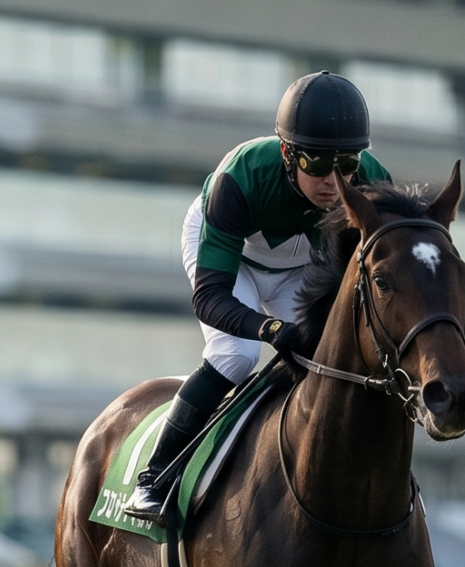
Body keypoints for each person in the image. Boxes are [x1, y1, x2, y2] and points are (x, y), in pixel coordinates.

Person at [121, 71, 393, 518]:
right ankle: (153, 478)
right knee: (237, 355)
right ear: (288, 154)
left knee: (324, 357)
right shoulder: (242, 176)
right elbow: (210, 298)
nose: (334, 181)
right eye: (317, 164)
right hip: (234, 261)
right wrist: (268, 328)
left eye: (346, 164)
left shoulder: (372, 182)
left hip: (300, 268)